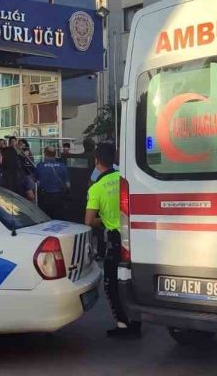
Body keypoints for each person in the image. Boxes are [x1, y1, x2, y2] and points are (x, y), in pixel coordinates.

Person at [85, 144, 140, 338]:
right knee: (132, 280)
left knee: (112, 284)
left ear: (97, 162)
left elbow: (89, 221)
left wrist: (104, 220)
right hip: (134, 236)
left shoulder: (96, 188)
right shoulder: (123, 179)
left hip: (115, 240)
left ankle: (123, 325)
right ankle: (136, 321)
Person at [35, 146, 70, 219]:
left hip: (44, 198)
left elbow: (36, 182)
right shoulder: (63, 166)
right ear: (55, 154)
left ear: (45, 154)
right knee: (59, 219)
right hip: (59, 197)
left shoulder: (40, 166)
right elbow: (68, 185)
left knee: (45, 219)